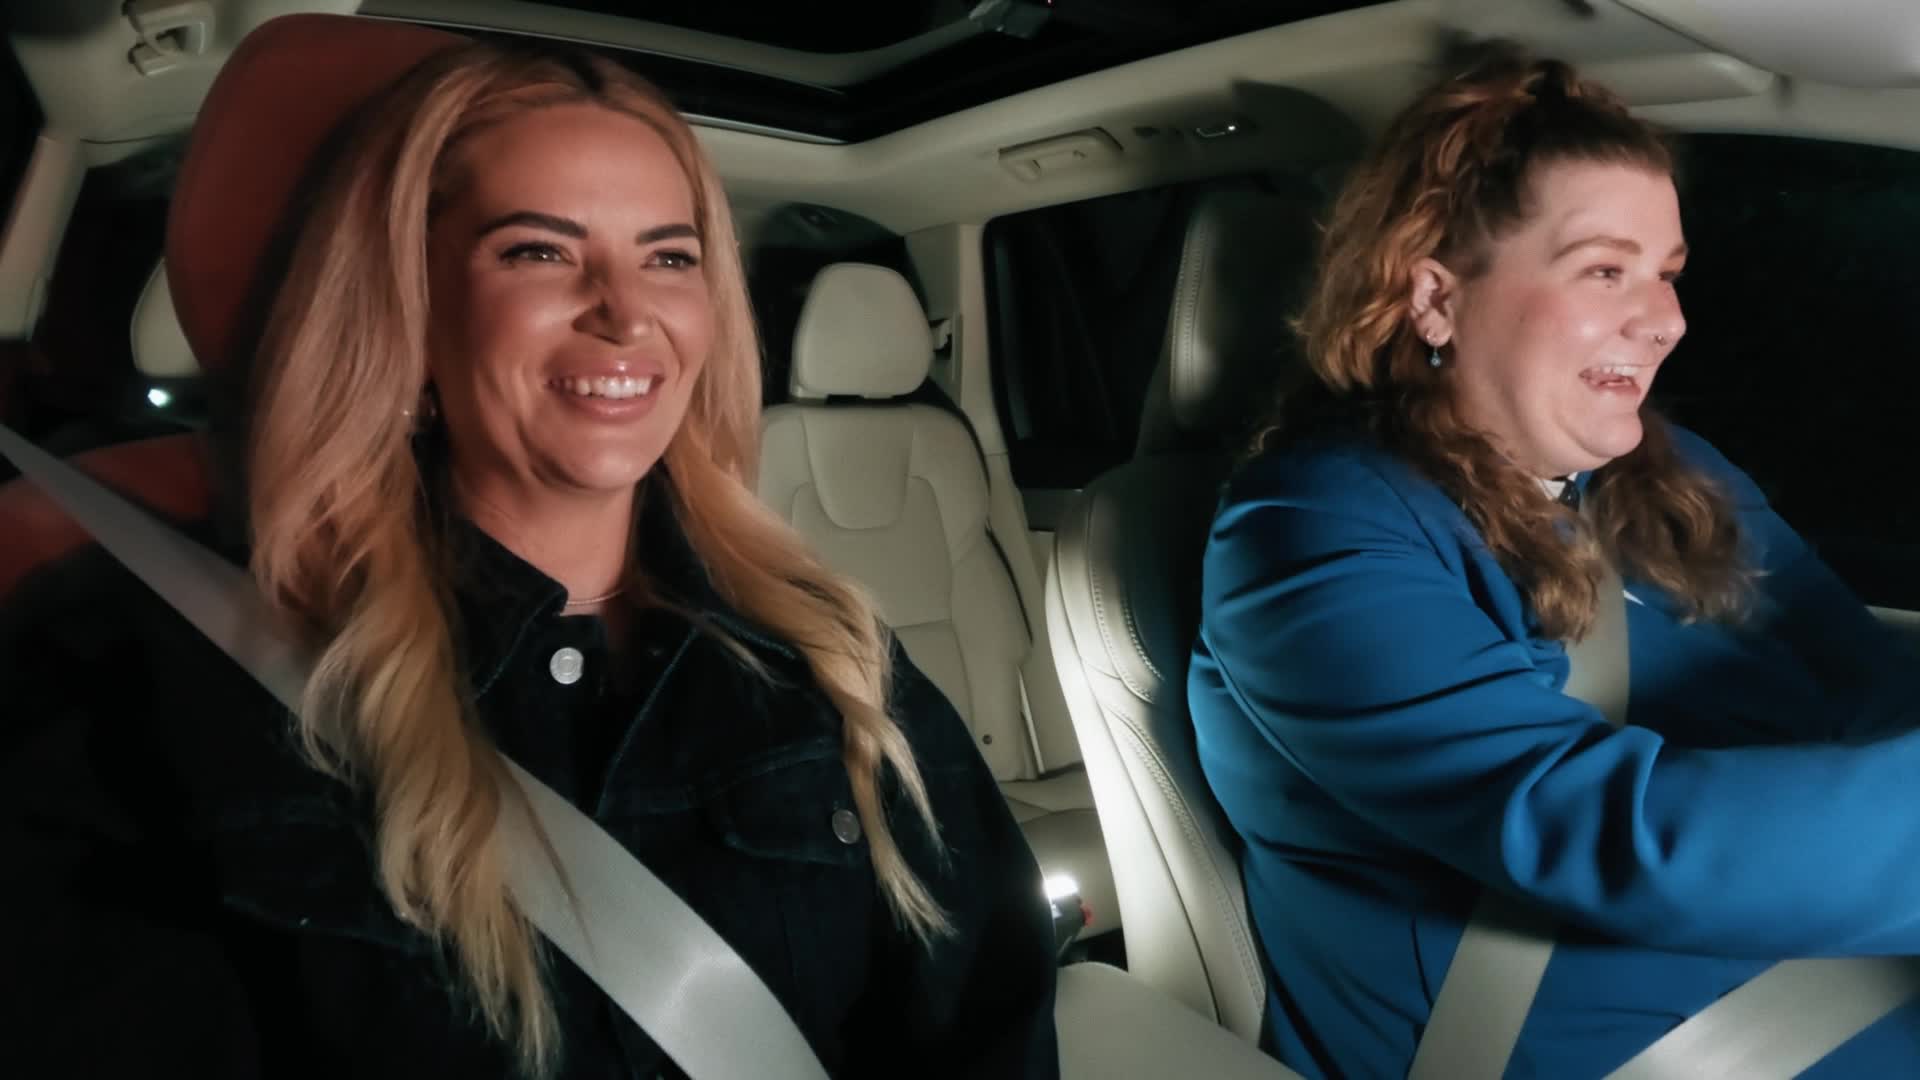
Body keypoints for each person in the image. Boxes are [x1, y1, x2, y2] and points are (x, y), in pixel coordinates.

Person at [0, 39, 1058, 1080]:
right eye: (538, 252)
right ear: (410, 306)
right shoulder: (152, 685)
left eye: (669, 257)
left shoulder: (831, 660)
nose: (626, 313)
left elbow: (988, 1026)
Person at [1188, 48, 1920, 1079]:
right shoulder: (1306, 531)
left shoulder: (1673, 473)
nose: (1665, 320)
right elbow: (1588, 828)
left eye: (1666, 273)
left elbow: (1862, 678)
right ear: (1435, 298)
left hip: (1837, 975)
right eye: (1605, 270)